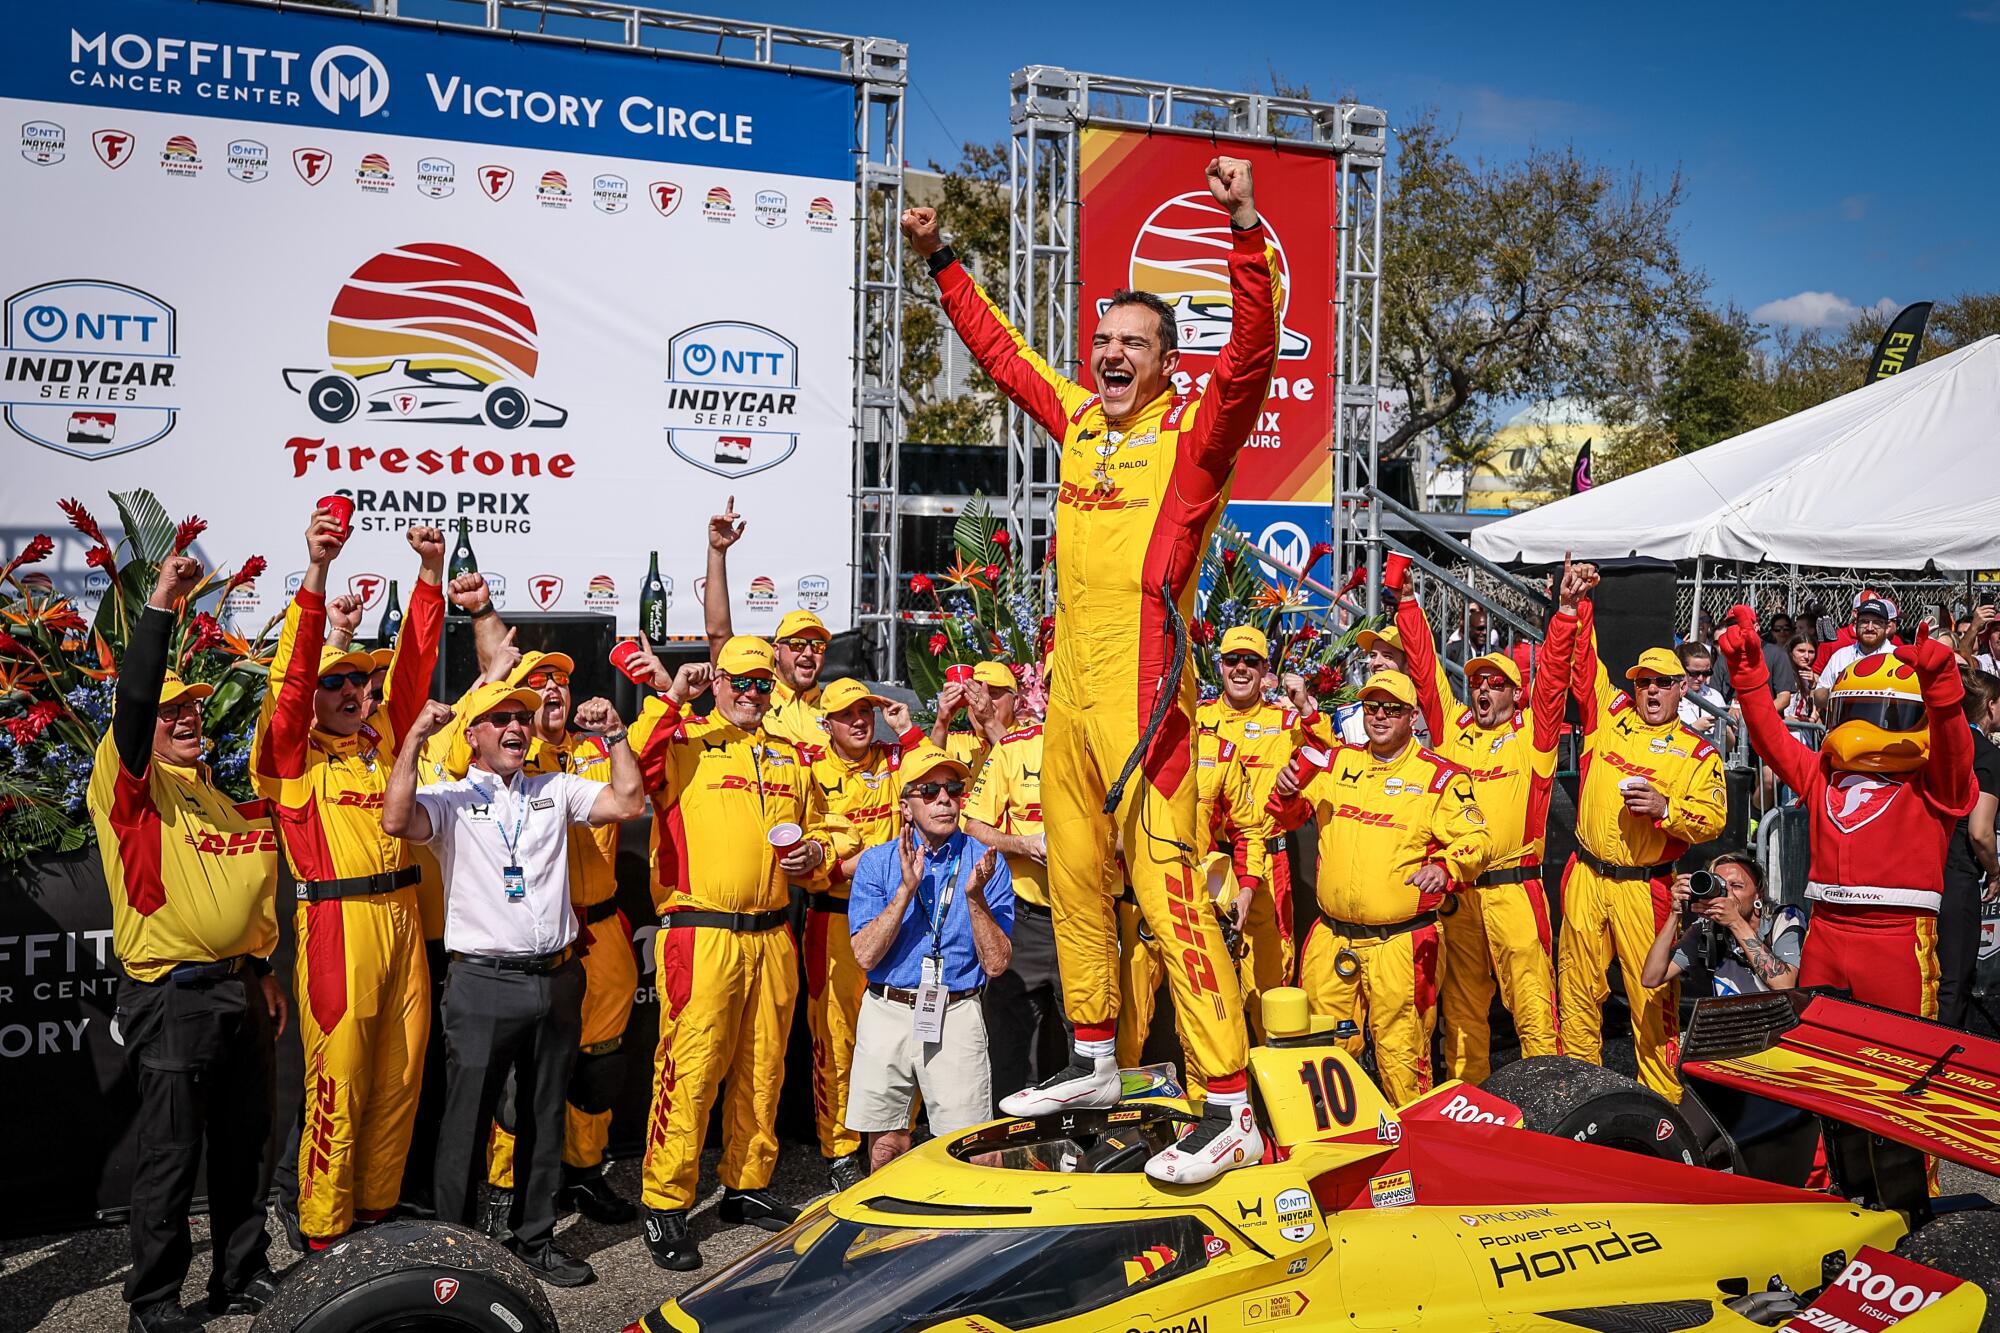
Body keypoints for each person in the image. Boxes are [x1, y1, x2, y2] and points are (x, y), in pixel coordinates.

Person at [905, 154, 1279, 1183]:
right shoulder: (1076, 417)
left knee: (1165, 892)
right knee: (1072, 878)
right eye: (1103, 340)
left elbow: (1251, 355)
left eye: (1132, 344)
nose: (1111, 354)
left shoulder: (1195, 433)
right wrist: (941, 259)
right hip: (1068, 687)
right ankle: (1093, 1057)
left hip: (1146, 692)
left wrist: (1245, 232)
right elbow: (1002, 355)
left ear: (1165, 362)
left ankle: (1229, 1105)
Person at [382, 684, 642, 1286]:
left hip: (557, 975)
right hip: (482, 981)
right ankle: (453, 1248)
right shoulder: (450, 796)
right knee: (465, 1121)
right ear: (473, 735)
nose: (515, 728)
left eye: (521, 718)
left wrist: (615, 735)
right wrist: (414, 738)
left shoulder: (554, 787)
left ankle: (534, 1239)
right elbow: (395, 820)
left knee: (544, 1114)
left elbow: (628, 802)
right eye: (498, 719)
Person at [92, 556, 285, 1333]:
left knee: (246, 1144)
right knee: (171, 1157)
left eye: (193, 707)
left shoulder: (210, 790)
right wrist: (164, 601)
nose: (185, 717)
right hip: (173, 996)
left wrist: (260, 969)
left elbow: (242, 895)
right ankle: (154, 1302)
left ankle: (240, 1273)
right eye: (171, 711)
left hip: (238, 987)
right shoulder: (130, 783)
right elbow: (137, 697)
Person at [627, 637, 856, 1270]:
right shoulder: (685, 741)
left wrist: (817, 853)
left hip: (772, 932)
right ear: (719, 683)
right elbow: (636, 762)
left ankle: (746, 1184)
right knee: (691, 1068)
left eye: (762, 683)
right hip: (701, 931)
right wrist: (672, 697)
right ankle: (664, 1201)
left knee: (764, 1067)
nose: (753, 693)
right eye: (741, 682)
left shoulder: (792, 754)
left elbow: (829, 826)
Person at [251, 508, 445, 1246]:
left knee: (399, 1081)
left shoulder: (380, 741)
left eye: (360, 681)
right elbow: (292, 677)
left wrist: (429, 574)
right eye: (336, 683)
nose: (351, 692)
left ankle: (375, 1216)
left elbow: (414, 665)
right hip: (337, 928)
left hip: (404, 922)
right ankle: (322, 1231)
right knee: (340, 1083)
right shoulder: (289, 757)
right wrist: (317, 571)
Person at [1717, 605, 1973, 1020]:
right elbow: (1770, 740)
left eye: (1887, 714)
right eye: (1852, 712)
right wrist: (1748, 678)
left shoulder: (1932, 780)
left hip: (1897, 934)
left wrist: (1944, 699)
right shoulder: (1822, 772)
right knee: (1816, 1040)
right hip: (1825, 929)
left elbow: (1956, 755)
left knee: (1901, 1048)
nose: (1864, 726)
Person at [1389, 552, 1573, 1084]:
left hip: (1516, 891)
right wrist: (1407, 604)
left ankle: (1549, 1103)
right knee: (1463, 1015)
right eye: (1477, 682)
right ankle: (1466, 1105)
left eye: (1495, 683)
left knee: (1534, 1008)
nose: (1484, 690)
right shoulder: (1454, 732)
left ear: (1516, 693)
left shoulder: (1534, 736)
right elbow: (1426, 673)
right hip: (1462, 893)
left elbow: (1554, 679)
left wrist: (1564, 613)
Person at [1268, 671, 1491, 1105]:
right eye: (1372, 707)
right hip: (1332, 940)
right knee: (1320, 1062)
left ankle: (1415, 1145)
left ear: (1412, 716)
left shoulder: (1441, 777)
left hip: (1401, 945)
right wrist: (1287, 791)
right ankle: (1334, 1144)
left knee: (1402, 1063)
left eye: (1392, 708)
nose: (1380, 716)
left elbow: (1478, 840)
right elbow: (1290, 817)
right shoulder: (1338, 762)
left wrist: (1446, 867)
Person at [1559, 572, 1728, 1103]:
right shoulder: (1611, 714)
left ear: (1682, 687)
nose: (1651, 690)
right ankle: (1578, 1102)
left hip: (1645, 886)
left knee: (1652, 1001)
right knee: (1577, 993)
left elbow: (1713, 819)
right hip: (1588, 875)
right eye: (1643, 682)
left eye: (1662, 682)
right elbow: (1584, 664)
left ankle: (1663, 1109)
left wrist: (1665, 809)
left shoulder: (1697, 752)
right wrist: (1576, 605)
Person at [846, 744, 1014, 1168]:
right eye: (930, 790)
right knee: (886, 1148)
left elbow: (997, 964)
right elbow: (865, 955)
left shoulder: (985, 861)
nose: (944, 799)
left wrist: (974, 898)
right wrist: (905, 891)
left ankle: (973, 1214)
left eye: (953, 790)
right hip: (887, 1008)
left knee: (975, 1151)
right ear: (906, 807)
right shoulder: (876, 863)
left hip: (955, 1010)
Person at [805, 677, 921, 1191]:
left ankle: (897, 1138)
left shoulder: (895, 760)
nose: (860, 721)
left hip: (902, 917)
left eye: (865, 711)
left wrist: (908, 730)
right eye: (847, 714)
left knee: (907, 1031)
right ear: (826, 722)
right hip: (835, 917)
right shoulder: (810, 771)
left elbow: (939, 775)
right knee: (836, 1039)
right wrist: (860, 863)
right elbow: (810, 865)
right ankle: (840, 1151)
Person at [1194, 625, 1310, 1027]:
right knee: (1210, 991)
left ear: (1265, 671)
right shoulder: (1198, 719)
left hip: (1269, 865)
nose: (1240, 668)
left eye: (1251, 661)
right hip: (1210, 865)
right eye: (1232, 660)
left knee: (1269, 987)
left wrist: (1306, 709)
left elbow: (1328, 756)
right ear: (1220, 666)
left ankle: (1267, 1067)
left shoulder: (1286, 720)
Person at [963, 679, 1067, 1101]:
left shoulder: (1117, 748)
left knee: (1085, 1050)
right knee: (1010, 1050)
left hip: (1090, 919)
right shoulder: (1014, 747)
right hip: (1025, 920)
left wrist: (1080, 847)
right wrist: (1023, 844)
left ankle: (1080, 1138)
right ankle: (1007, 1132)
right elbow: (973, 825)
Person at [704, 495, 832, 757]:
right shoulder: (755, 692)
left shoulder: (837, 706)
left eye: (817, 646)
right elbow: (718, 634)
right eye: (797, 644)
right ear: (776, 650)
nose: (808, 653)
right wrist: (717, 553)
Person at [1640, 854, 1801, 996]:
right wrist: (1675, 914)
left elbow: (1784, 984)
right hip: (1728, 1018)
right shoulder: (1706, 927)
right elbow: (1651, 978)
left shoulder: (1785, 918)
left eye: (1736, 886)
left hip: (1777, 1018)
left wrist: (1735, 922)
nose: (1728, 894)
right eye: (1721, 886)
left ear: (1759, 893)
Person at [1936, 672, 1999, 1028]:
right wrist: (1995, 871)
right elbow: (1980, 832)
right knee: (1954, 979)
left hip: (1919, 870)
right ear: (1990, 706)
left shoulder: (1936, 742)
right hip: (1956, 875)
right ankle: (1940, 1053)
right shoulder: (1986, 753)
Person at [1812, 595, 1897, 711]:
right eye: (1864, 622)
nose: (1870, 628)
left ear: (1887, 628)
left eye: (1877, 623)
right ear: (1856, 624)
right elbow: (1819, 695)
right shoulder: (1840, 656)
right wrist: (1828, 694)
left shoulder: (1897, 657)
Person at [1678, 642, 1725, 734]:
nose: (1700, 678)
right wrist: (1693, 728)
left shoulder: (1715, 696)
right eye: (1694, 673)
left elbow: (1729, 741)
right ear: (1681, 668)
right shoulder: (1670, 697)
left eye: (1706, 673)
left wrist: (1725, 729)